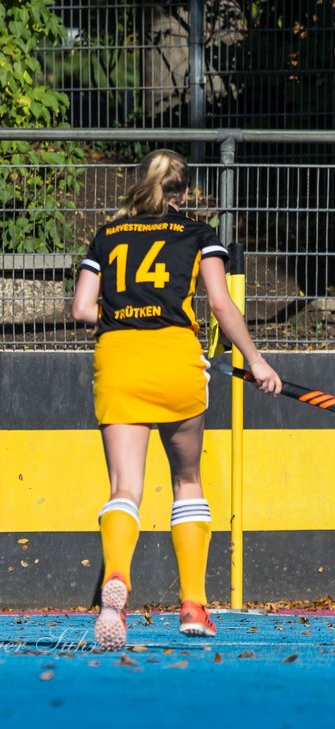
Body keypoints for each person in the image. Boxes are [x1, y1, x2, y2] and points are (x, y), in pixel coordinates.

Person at [70, 149, 281, 651]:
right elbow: (221, 304)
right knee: (188, 480)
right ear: (185, 193)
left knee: (125, 487)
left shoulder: (107, 235)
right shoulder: (198, 235)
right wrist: (255, 360)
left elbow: (81, 309)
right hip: (175, 360)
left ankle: (115, 580)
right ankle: (193, 605)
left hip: (118, 358)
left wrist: (126, 303)